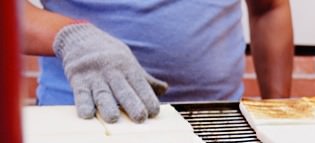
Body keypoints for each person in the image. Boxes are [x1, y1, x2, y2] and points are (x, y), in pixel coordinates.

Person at [21, 0, 293, 123]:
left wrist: (278, 112)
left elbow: (269, 8)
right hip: (85, 120)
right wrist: (72, 36)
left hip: (215, 125)